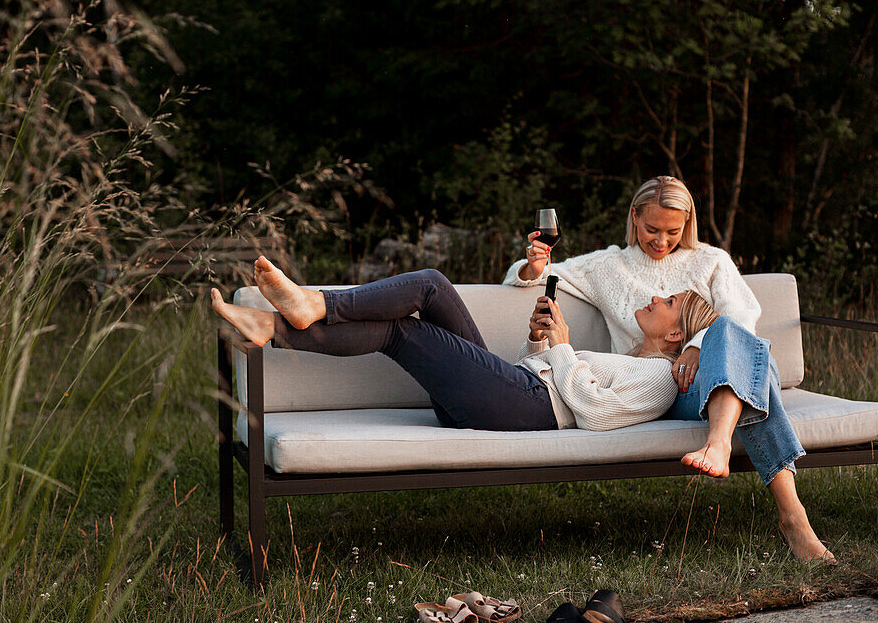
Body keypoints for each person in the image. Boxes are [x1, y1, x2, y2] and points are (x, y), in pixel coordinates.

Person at [504, 176, 834, 562]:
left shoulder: (712, 261)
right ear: (634, 218)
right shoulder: (608, 265)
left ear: (688, 224)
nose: (661, 241)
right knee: (759, 376)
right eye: (651, 229)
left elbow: (743, 318)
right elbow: (530, 277)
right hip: (670, 389)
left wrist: (696, 346)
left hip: (717, 374)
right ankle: (792, 515)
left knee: (737, 341)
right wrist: (532, 266)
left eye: (673, 231)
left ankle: (722, 445)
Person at [210, 257, 717, 433]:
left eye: (668, 300)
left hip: (528, 407)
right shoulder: (635, 361)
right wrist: (540, 343)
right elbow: (556, 384)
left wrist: (561, 350)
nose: (656, 296)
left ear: (676, 334)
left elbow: (594, 414)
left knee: (404, 330)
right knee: (432, 287)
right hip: (519, 395)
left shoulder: (660, 380)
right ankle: (298, 313)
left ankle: (289, 319)